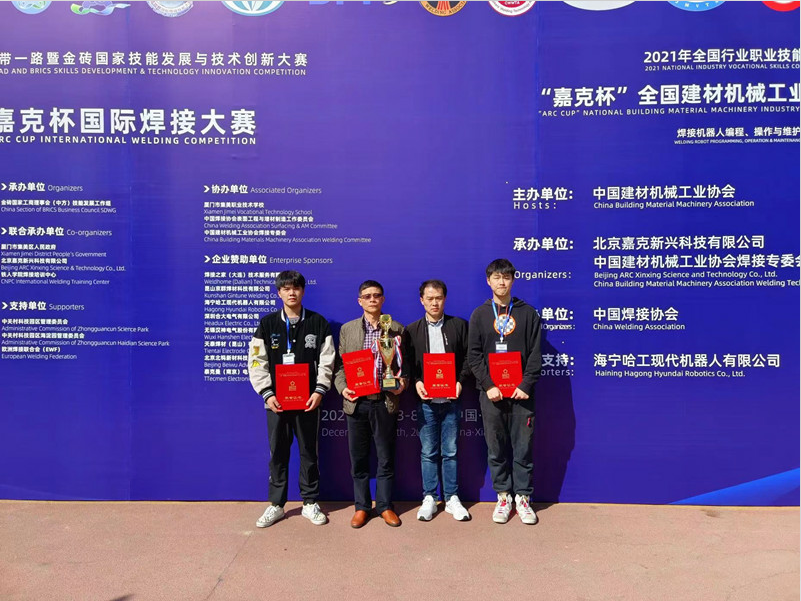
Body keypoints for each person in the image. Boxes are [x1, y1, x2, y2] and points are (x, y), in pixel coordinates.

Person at [248, 270, 335, 528]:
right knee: (278, 452)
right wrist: (267, 393)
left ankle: (309, 502)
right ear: (279, 293)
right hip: (276, 403)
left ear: (303, 291)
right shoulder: (267, 324)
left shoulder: (318, 323)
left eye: (296, 288)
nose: (291, 293)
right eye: (286, 289)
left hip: (308, 402)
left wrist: (319, 390)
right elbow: (256, 361)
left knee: (309, 452)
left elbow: (327, 360)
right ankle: (276, 504)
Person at [468, 259, 542, 525]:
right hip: (492, 395)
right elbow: (474, 356)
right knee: (495, 448)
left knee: (523, 448)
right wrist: (489, 385)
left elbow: (535, 354)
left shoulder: (528, 313)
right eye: (497, 277)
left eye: (506, 277)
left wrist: (525, 385)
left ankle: (523, 497)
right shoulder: (479, 315)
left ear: (513, 280)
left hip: (522, 395)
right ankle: (503, 496)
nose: (502, 282)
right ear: (488, 281)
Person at [334, 280, 407, 528]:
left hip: (385, 402)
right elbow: (340, 367)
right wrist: (343, 388)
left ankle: (385, 506)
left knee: (386, 458)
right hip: (357, 403)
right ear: (360, 301)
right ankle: (362, 507)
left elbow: (404, 366)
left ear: (383, 300)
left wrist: (402, 384)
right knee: (359, 459)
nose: (372, 299)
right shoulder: (347, 329)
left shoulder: (396, 329)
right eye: (367, 296)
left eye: (377, 295)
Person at [404, 279, 471, 522]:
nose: (435, 303)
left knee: (450, 451)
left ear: (445, 299)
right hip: (426, 401)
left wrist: (460, 381)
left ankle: (452, 497)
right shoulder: (411, 330)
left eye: (439, 298)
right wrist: (417, 382)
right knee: (428, 452)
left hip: (452, 399)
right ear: (421, 300)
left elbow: (469, 359)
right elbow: (407, 364)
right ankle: (430, 497)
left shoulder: (459, 326)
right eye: (430, 298)